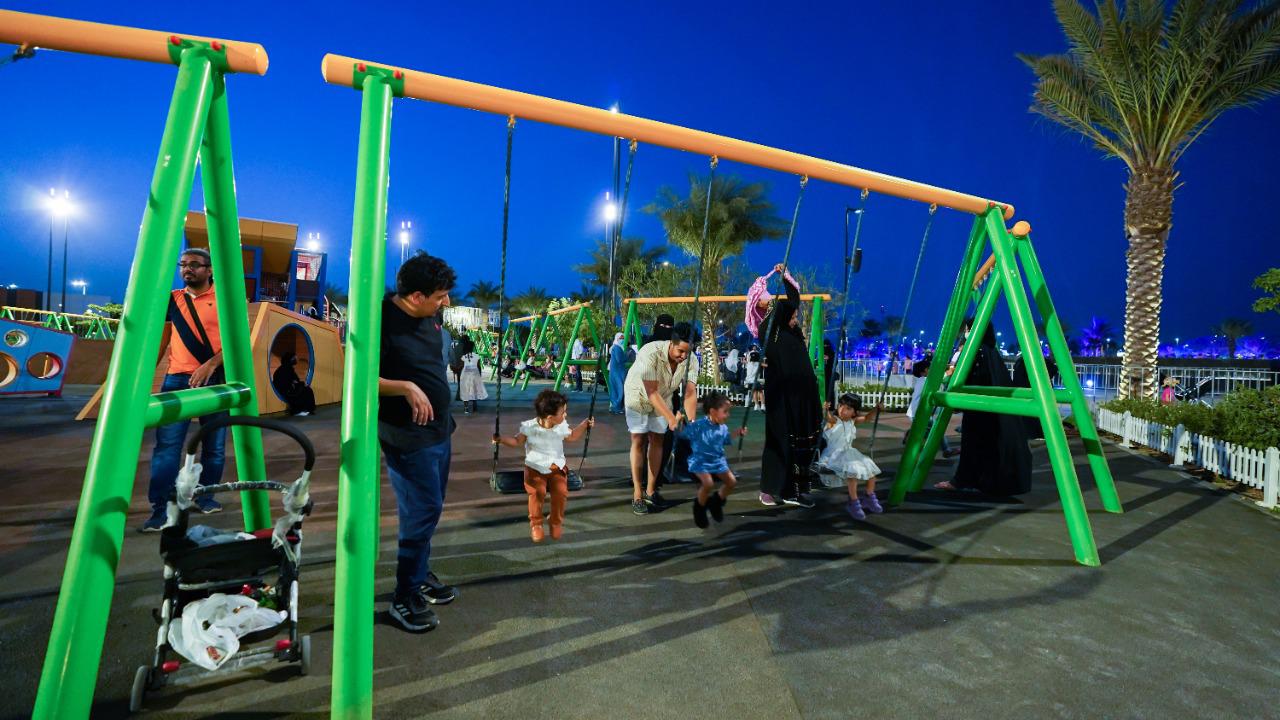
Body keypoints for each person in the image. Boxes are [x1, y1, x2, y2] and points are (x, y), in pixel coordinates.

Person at [377, 252, 460, 633]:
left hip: (439, 431)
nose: (445, 303)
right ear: (415, 296)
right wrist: (405, 387)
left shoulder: (428, 317)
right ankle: (404, 595)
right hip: (407, 437)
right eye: (440, 296)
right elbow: (357, 378)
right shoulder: (379, 322)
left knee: (432, 508)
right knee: (422, 510)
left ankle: (419, 570)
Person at [140, 248, 228, 531]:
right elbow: (160, 339)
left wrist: (211, 365)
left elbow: (237, 343)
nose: (187, 269)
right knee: (167, 447)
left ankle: (205, 496)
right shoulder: (173, 301)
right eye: (183, 265)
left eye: (194, 265)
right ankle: (161, 508)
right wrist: (141, 379)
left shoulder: (225, 300)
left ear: (210, 269)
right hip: (176, 379)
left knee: (213, 447)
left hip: (215, 379)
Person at [936, 324, 1031, 495]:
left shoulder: (976, 351)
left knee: (972, 444)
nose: (965, 332)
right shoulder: (991, 352)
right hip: (992, 410)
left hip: (977, 407)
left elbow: (969, 377)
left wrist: (956, 396)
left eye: (968, 329)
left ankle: (961, 481)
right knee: (988, 446)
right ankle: (984, 481)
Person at [755, 266, 821, 508]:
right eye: (792, 316)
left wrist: (786, 276)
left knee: (802, 445)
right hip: (782, 398)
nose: (795, 320)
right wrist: (781, 280)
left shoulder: (793, 335)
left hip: (802, 398)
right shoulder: (770, 331)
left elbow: (793, 300)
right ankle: (772, 489)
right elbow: (791, 300)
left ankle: (798, 489)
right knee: (779, 441)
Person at [493, 389, 594, 543]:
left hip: (557, 467)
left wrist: (584, 424)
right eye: (563, 413)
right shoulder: (530, 427)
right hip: (535, 468)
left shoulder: (561, 426)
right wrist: (501, 440)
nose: (565, 415)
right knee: (537, 492)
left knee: (561, 493)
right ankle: (536, 524)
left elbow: (572, 436)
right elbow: (516, 441)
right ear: (549, 417)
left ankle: (555, 521)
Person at [623, 322, 699, 514]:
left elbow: (690, 393)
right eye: (680, 351)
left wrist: (691, 423)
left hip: (663, 397)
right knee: (639, 439)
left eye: (687, 353)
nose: (683, 357)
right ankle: (637, 494)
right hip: (638, 395)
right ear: (671, 343)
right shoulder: (650, 352)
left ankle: (650, 491)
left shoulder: (691, 360)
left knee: (658, 439)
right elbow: (651, 392)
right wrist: (672, 419)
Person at [681, 391, 748, 528]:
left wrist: (737, 433)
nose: (728, 415)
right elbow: (682, 434)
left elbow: (726, 439)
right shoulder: (698, 426)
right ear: (712, 411)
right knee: (708, 484)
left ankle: (716, 502)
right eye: (725, 412)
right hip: (700, 460)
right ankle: (699, 508)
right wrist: (677, 422)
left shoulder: (723, 428)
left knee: (731, 482)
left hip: (717, 460)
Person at [819, 394, 884, 520]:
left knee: (871, 472)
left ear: (854, 412)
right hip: (834, 455)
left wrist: (876, 409)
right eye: (841, 405)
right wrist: (825, 409)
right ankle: (853, 503)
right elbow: (828, 417)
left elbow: (866, 418)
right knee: (853, 474)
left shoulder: (852, 421)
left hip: (849, 453)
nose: (842, 409)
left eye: (848, 408)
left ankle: (869, 497)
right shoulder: (834, 421)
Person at [905, 357, 958, 457]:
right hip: (918, 412)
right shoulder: (924, 381)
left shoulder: (923, 381)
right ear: (924, 371)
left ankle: (910, 434)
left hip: (919, 412)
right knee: (935, 430)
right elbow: (934, 381)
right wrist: (947, 373)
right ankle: (946, 450)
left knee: (930, 431)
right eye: (929, 369)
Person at [271, 351, 316, 417]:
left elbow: (295, 380)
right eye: (295, 358)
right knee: (306, 390)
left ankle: (305, 409)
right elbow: (291, 381)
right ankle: (297, 411)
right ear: (291, 359)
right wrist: (300, 384)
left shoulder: (287, 368)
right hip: (287, 390)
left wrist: (299, 384)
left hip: (287, 388)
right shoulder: (286, 369)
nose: (296, 359)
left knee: (306, 390)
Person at [458, 337, 487, 414]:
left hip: (465, 375)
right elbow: (478, 366)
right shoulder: (476, 356)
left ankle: (466, 408)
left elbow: (461, 366)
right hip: (475, 374)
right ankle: (475, 405)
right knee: (474, 390)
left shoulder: (463, 357)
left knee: (465, 391)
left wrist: (456, 369)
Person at [607, 332, 630, 414]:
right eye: (621, 338)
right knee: (619, 389)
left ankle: (617, 407)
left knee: (617, 390)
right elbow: (619, 359)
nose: (622, 340)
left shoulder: (616, 347)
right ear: (617, 338)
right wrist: (627, 356)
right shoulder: (617, 348)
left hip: (617, 371)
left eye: (623, 338)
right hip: (617, 372)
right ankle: (616, 408)